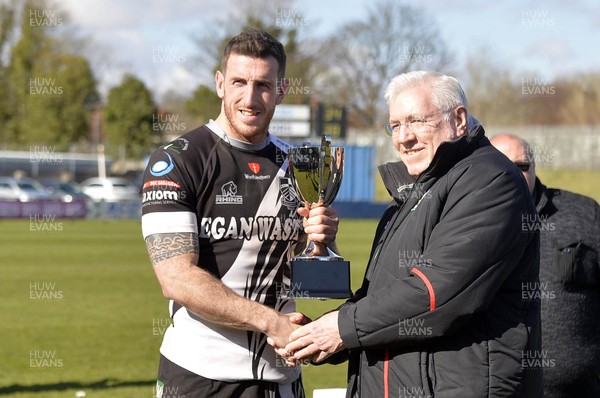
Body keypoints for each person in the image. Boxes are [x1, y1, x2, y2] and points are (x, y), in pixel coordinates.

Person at [275, 71, 543, 397]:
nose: (404, 137)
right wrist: (322, 334)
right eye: (395, 126)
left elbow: (437, 295)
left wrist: (340, 329)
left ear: (458, 119)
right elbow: (384, 298)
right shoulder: (412, 194)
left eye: (416, 121)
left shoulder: (490, 180)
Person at [141, 28, 338, 398]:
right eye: (239, 82)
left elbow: (306, 269)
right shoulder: (178, 160)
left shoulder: (299, 166)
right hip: (201, 376)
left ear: (280, 90)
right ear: (220, 84)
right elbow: (176, 278)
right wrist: (270, 323)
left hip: (282, 375)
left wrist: (322, 237)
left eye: (263, 84)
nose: (250, 98)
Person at [491, 133, 600, 397]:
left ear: (535, 167)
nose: (513, 174)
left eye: (522, 165)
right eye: (501, 166)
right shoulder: (463, 225)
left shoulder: (585, 214)